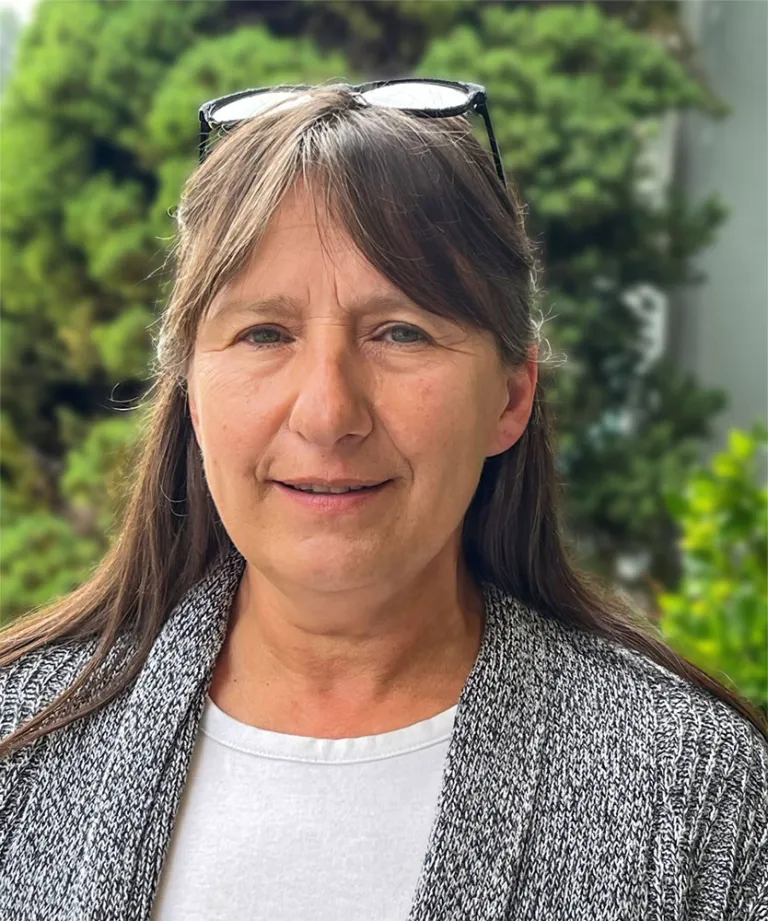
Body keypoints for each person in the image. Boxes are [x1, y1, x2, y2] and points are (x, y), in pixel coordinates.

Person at [1, 80, 766, 921]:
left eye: (400, 331)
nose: (328, 413)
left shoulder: (692, 794)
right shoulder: (20, 743)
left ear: (511, 397)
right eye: (265, 333)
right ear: (188, 389)